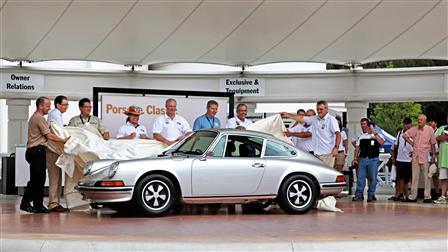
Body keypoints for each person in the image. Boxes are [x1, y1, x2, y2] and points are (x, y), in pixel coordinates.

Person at [20, 96, 70, 213]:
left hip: (35, 151)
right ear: (40, 106)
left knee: (39, 179)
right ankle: (25, 203)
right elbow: (49, 135)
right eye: (47, 106)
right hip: (36, 151)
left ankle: (38, 205)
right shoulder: (39, 118)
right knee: (36, 179)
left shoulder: (36, 117)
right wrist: (63, 140)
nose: (49, 108)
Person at [281, 100, 340, 167]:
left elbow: (338, 133)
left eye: (321, 109)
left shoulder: (331, 119)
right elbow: (301, 118)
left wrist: (336, 147)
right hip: (316, 154)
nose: (319, 111)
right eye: (317, 109)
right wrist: (287, 114)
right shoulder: (315, 119)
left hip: (327, 154)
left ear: (326, 109)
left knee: (327, 175)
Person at [403, 114, 437, 203]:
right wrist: (411, 143)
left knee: (427, 177)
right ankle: (413, 196)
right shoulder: (414, 129)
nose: (419, 121)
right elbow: (404, 135)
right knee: (414, 177)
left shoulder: (430, 129)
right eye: (418, 120)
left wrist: (434, 156)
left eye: (421, 120)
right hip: (415, 156)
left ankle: (427, 196)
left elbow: (433, 143)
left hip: (425, 156)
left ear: (425, 120)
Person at [46, 95, 70, 212]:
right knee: (54, 176)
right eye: (65, 105)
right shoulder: (55, 114)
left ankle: (56, 202)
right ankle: (53, 203)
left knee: (57, 176)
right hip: (52, 149)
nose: (67, 107)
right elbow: (58, 133)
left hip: (56, 149)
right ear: (58, 105)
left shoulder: (57, 114)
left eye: (67, 105)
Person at [352, 118, 385, 202]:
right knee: (360, 178)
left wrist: (375, 133)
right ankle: (359, 195)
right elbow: (357, 148)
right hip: (362, 159)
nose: (369, 129)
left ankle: (371, 194)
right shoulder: (362, 136)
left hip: (373, 160)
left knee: (373, 178)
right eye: (369, 127)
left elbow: (381, 142)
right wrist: (355, 158)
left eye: (371, 127)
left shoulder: (379, 135)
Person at [390, 117, 413, 201]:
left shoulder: (413, 133)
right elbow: (395, 146)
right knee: (399, 178)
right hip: (400, 159)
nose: (407, 126)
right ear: (403, 125)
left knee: (408, 179)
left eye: (408, 124)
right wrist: (394, 158)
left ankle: (408, 195)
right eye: (405, 124)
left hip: (409, 160)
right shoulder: (399, 133)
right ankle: (399, 194)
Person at [434, 115, 448, 204]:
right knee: (444, 178)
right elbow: (437, 137)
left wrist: (445, 137)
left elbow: (443, 137)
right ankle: (442, 196)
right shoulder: (442, 127)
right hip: (443, 158)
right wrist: (441, 137)